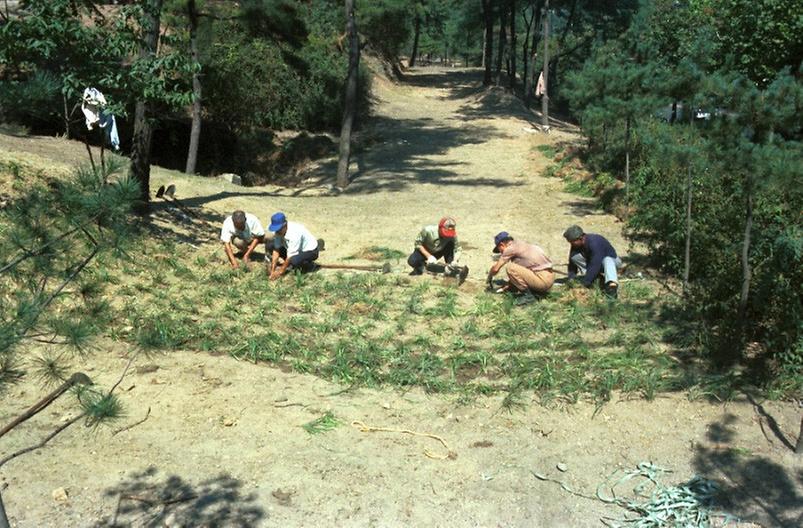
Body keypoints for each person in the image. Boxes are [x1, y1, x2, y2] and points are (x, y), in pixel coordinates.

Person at [487, 231, 554, 305]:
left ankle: (528, 297)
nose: (501, 253)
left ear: (501, 245)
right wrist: (509, 286)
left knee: (510, 267)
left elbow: (495, 269)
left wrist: (489, 277)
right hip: (549, 278)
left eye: (500, 250)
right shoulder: (522, 245)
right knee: (514, 270)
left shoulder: (510, 249)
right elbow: (522, 273)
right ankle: (535, 292)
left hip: (542, 280)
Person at [563, 225, 621, 298]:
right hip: (596, 264)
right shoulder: (576, 245)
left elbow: (595, 263)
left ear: (581, 238)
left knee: (607, 259)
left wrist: (586, 282)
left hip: (612, 263)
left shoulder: (595, 242)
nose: (571, 244)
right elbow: (572, 263)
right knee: (575, 257)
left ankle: (611, 287)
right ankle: (596, 278)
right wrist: (571, 278)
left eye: (572, 242)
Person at [267, 212, 320, 280]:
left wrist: (280, 272)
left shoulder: (295, 233)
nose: (277, 232)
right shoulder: (278, 231)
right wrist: (273, 269)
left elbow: (290, 256)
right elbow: (276, 250)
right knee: (270, 246)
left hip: (311, 251)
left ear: (285, 225)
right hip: (293, 248)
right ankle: (290, 264)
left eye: (279, 230)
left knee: (294, 260)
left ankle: (308, 265)